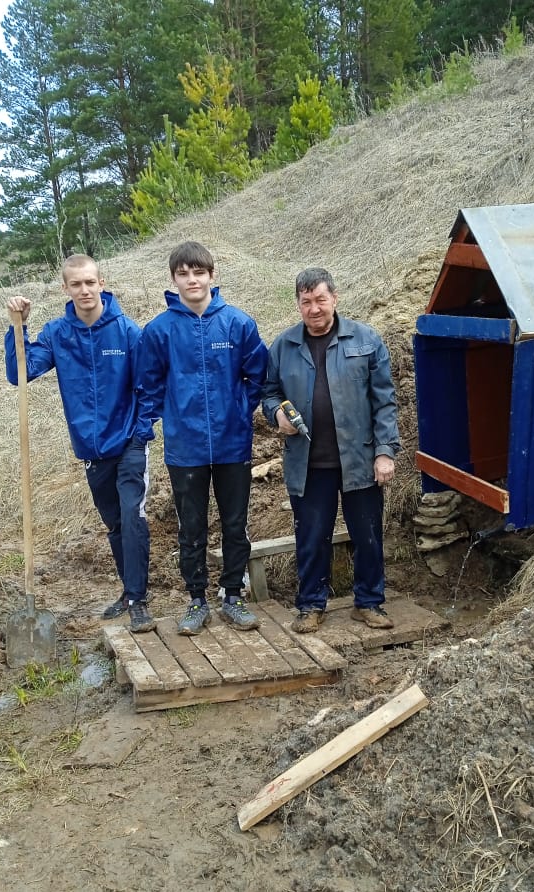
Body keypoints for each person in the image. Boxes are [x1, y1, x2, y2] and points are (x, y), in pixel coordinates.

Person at [5, 254, 155, 635]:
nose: (85, 290)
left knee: (132, 515)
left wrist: (140, 433)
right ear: (66, 289)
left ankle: (139, 598)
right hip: (91, 449)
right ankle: (128, 590)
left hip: (129, 442)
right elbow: (19, 373)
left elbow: (149, 387)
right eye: (77, 284)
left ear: (101, 283)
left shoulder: (127, 331)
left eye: (90, 282)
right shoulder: (58, 334)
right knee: (115, 522)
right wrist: (17, 329)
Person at [135, 241, 268, 634]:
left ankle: (233, 596)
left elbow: (258, 375)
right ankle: (196, 600)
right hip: (185, 447)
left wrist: (239, 410)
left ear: (212, 275)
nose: (192, 280)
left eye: (199, 272)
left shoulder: (238, 323)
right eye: (183, 273)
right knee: (191, 527)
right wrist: (166, 418)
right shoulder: (159, 330)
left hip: (232, 443)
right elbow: (148, 383)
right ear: (174, 279)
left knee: (235, 523)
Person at [262, 267, 400, 634]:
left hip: (360, 460)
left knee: (367, 534)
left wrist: (385, 451)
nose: (314, 309)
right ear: (298, 304)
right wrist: (276, 412)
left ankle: (369, 603)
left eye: (320, 299)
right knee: (311, 536)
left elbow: (384, 402)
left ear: (335, 298)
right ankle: (311, 606)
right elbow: (268, 392)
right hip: (308, 463)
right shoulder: (283, 346)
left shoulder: (366, 339)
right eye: (306, 302)